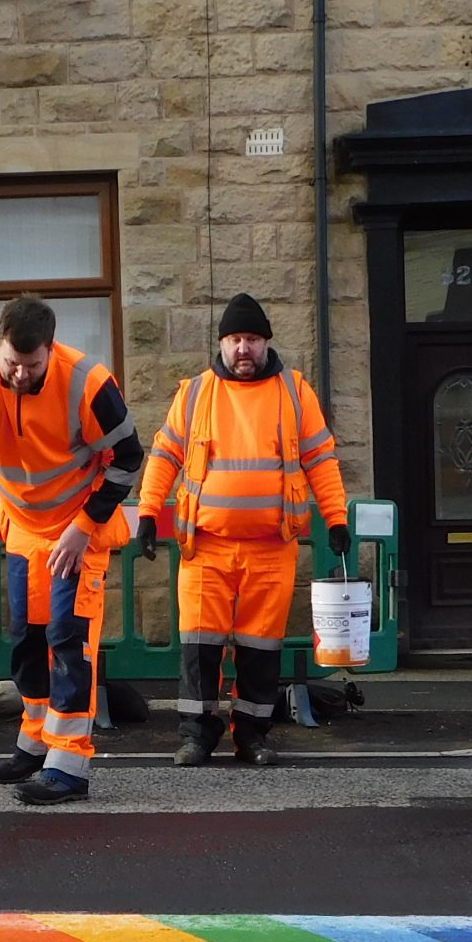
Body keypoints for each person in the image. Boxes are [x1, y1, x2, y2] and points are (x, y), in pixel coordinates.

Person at [0, 295, 144, 804]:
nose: (21, 376)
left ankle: (68, 766)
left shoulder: (88, 382)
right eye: (11, 364)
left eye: (32, 365)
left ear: (51, 348)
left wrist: (84, 526)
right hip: (24, 530)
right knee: (27, 641)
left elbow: (129, 459)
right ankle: (34, 744)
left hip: (78, 531)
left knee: (70, 642)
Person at [135, 294, 348, 767]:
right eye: (234, 340)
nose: (243, 349)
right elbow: (165, 456)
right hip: (205, 548)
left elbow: (321, 460)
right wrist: (148, 512)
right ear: (222, 344)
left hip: (271, 549)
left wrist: (337, 519)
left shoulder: (294, 392)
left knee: (259, 651)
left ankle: (252, 736)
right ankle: (196, 735)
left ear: (266, 343)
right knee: (199, 649)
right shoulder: (194, 393)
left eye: (251, 340)